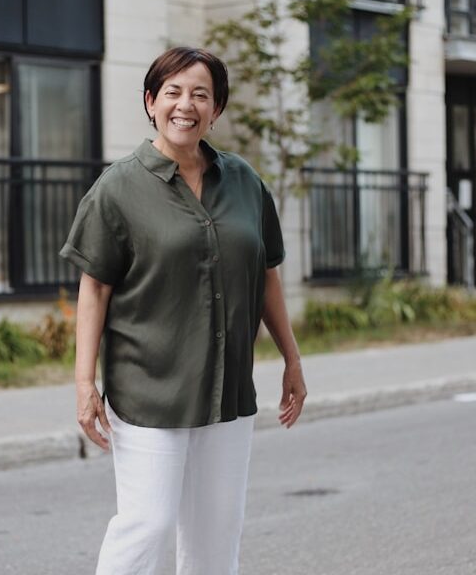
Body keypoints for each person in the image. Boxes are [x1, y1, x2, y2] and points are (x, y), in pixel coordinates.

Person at [59, 47, 307, 575]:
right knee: (146, 525)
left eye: (200, 94)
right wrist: (84, 384)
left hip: (227, 390)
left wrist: (292, 358)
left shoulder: (244, 182)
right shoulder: (118, 187)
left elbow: (266, 274)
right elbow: (94, 288)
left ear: (216, 108)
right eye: (172, 92)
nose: (185, 105)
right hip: (150, 391)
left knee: (216, 539)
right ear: (151, 102)